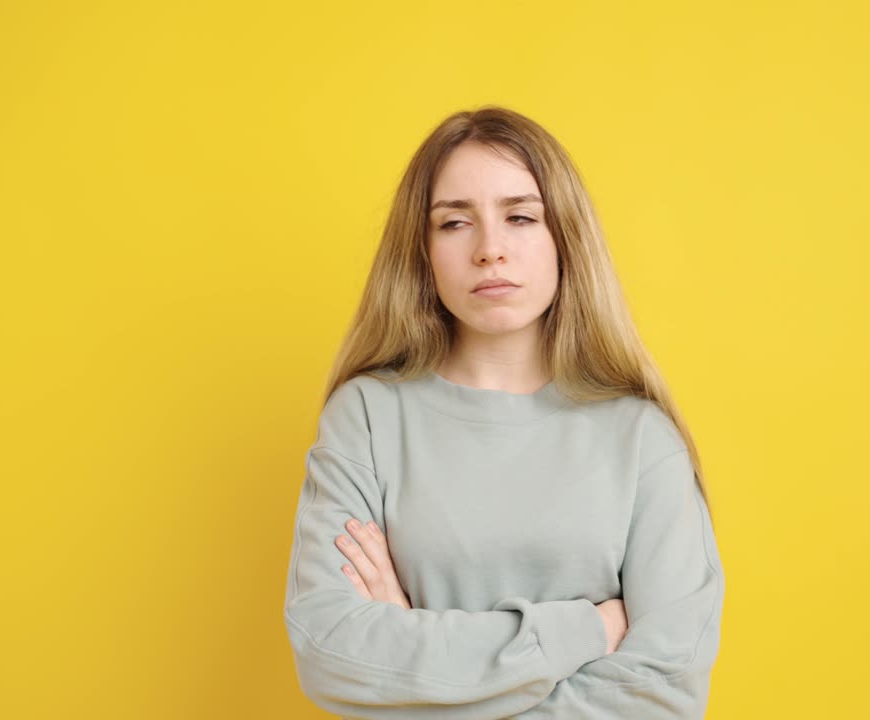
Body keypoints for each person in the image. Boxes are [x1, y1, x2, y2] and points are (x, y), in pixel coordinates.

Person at [283, 105, 725, 719]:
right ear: (423, 250)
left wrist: (414, 657)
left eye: (520, 216)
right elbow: (332, 653)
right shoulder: (366, 418)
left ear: (564, 237)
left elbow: (662, 697)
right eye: (454, 223)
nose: (491, 250)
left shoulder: (641, 438)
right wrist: (583, 633)